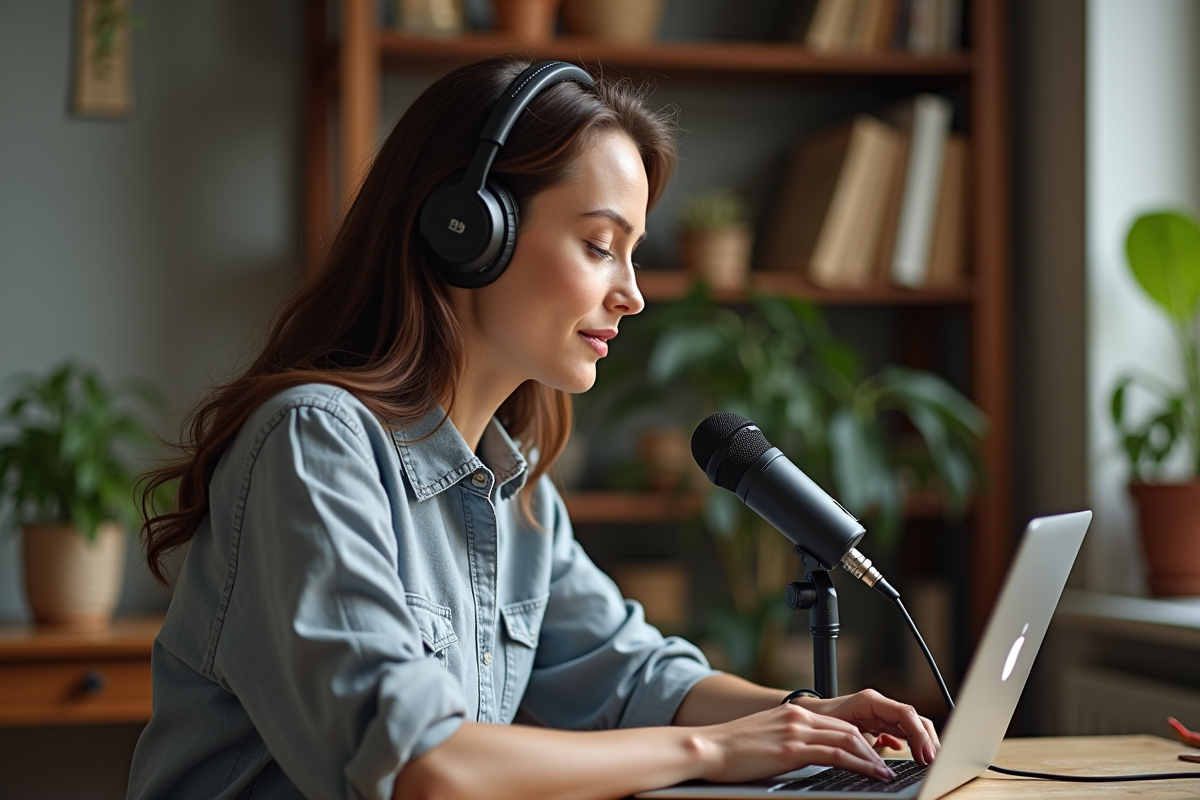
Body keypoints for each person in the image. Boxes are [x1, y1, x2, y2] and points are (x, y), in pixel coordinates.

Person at [127, 56, 939, 800]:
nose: (632, 294)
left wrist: (807, 719)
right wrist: (713, 750)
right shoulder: (313, 445)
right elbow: (422, 766)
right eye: (599, 245)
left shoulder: (517, 497)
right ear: (468, 230)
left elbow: (632, 677)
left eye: (632, 253)